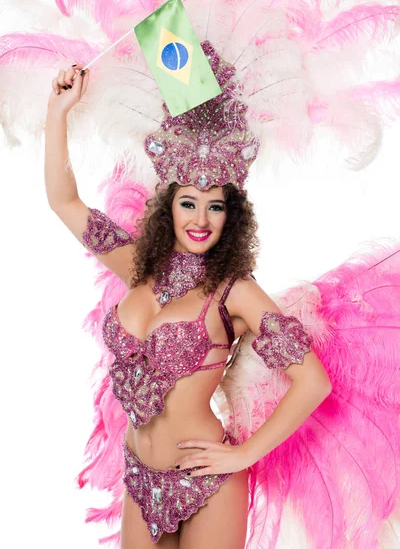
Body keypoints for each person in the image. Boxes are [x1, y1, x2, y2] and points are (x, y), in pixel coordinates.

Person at [45, 62, 332, 548]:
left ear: (231, 216)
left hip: (207, 480)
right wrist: (58, 112)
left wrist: (243, 456)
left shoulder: (233, 291)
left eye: (215, 206)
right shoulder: (138, 264)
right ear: (168, 206)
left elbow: (313, 381)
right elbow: (64, 203)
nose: (201, 219)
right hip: (138, 474)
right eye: (189, 203)